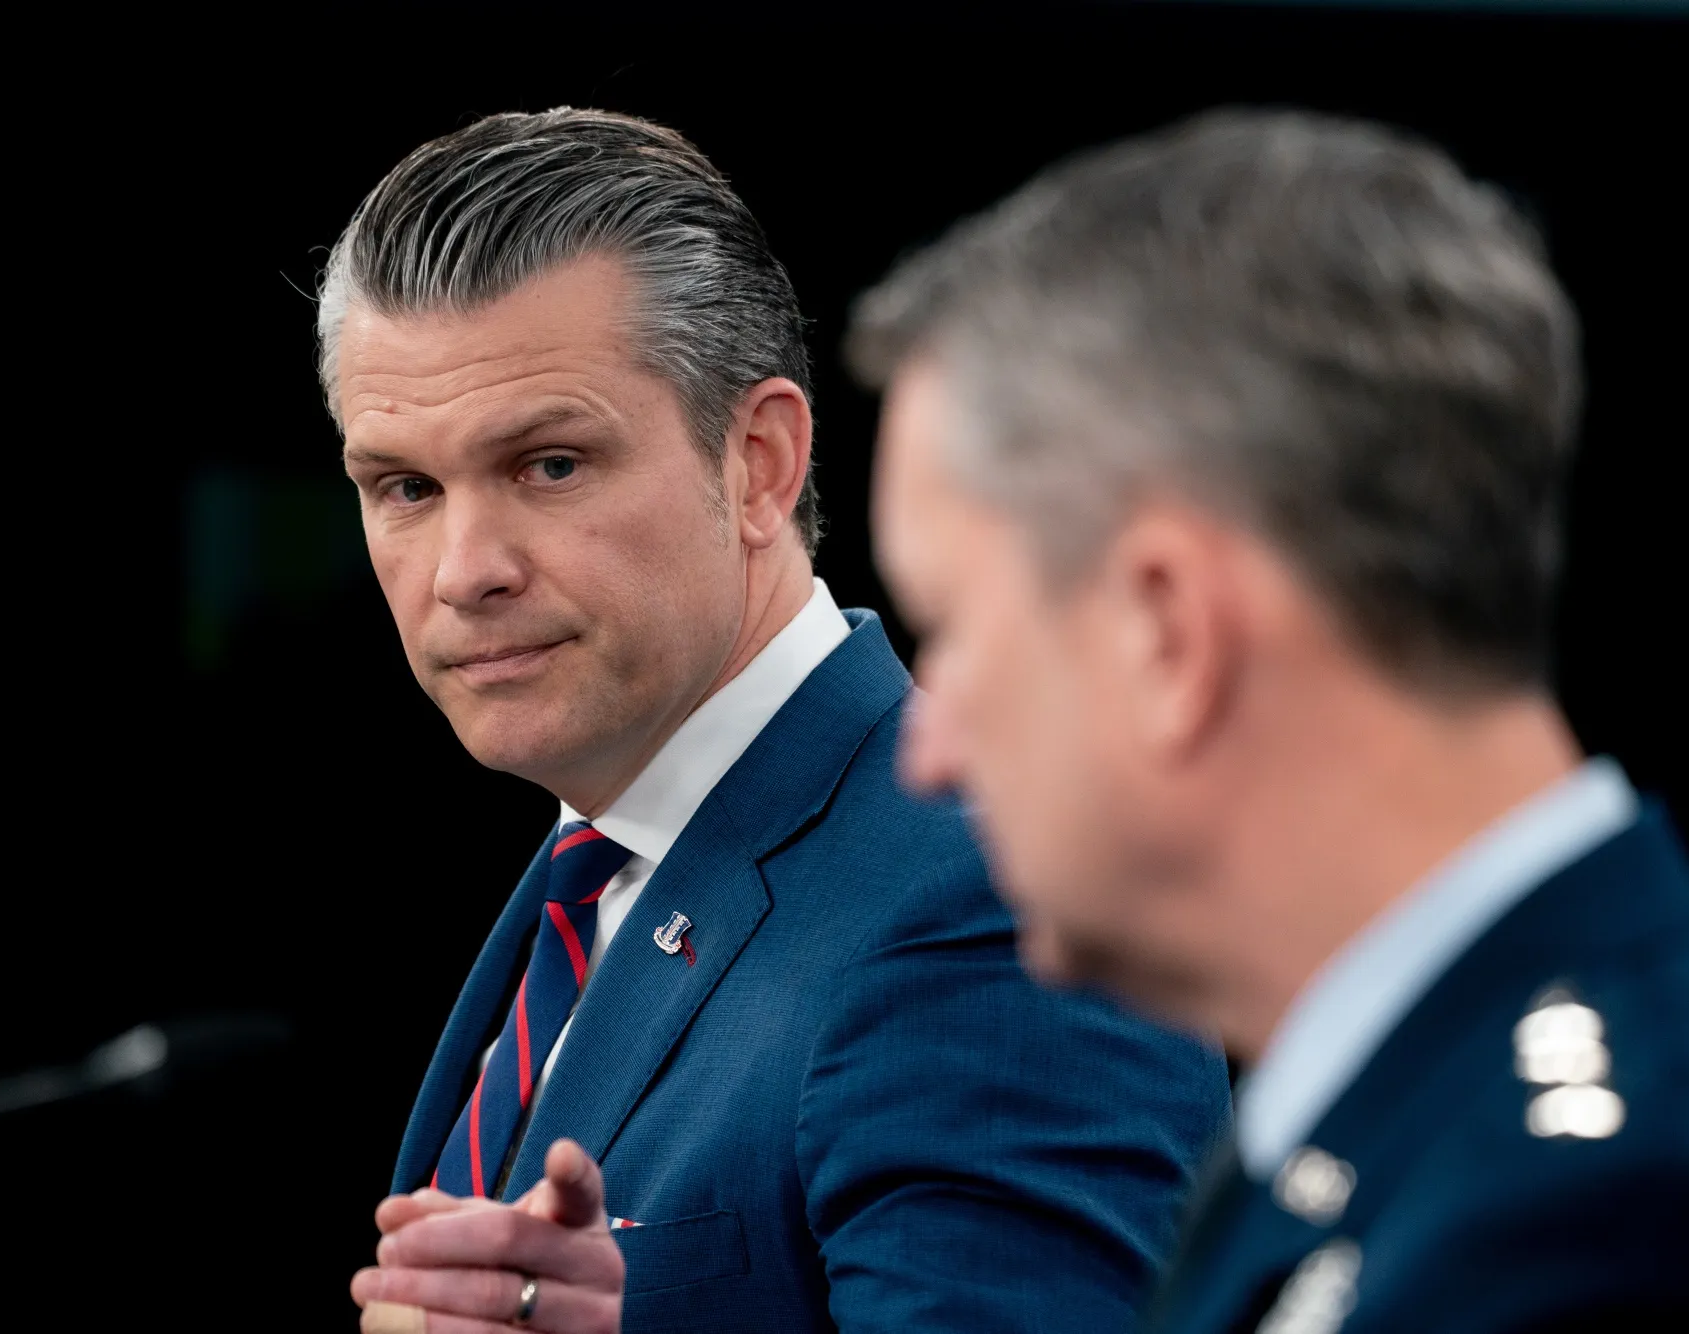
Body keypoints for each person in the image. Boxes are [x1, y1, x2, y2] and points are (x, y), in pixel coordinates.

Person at [850, 109, 1689, 1331]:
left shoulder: (1629, 1229)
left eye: (955, 626)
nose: (927, 747)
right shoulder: (1424, 1124)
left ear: (1167, 630)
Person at [320, 107, 1227, 1334]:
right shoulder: (593, 871)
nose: (462, 567)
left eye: (549, 464)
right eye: (406, 488)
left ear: (758, 463)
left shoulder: (994, 899)